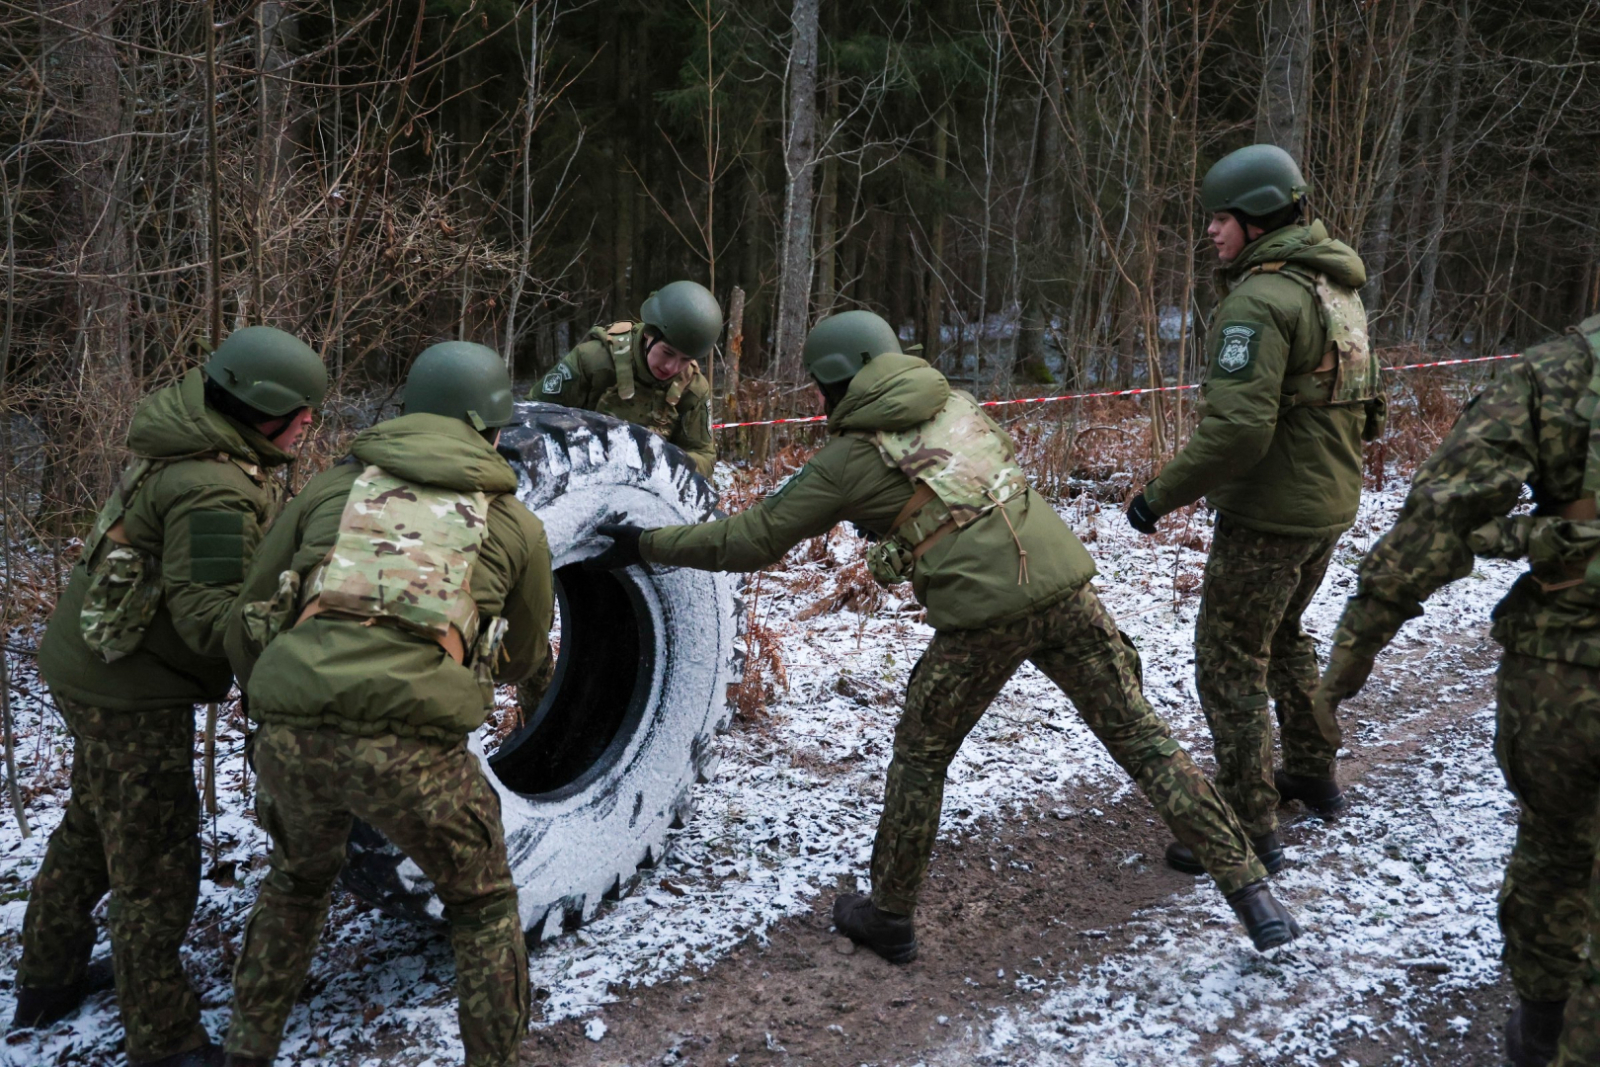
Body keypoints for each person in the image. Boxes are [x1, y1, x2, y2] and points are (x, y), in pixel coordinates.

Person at [589, 309, 1302, 962]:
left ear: (837, 382)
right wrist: (904, 534)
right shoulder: (956, 404)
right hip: (1065, 584)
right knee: (1142, 738)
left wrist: (645, 543)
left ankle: (890, 914)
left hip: (984, 615)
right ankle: (1253, 892)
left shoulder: (847, 460)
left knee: (922, 755)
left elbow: (750, 539)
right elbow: (975, 494)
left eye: (821, 389)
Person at [219, 341, 552, 1067]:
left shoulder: (327, 489)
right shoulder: (515, 524)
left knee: (297, 881)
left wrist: (276, 700)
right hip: (415, 752)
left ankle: (245, 1049)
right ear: (492, 429)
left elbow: (248, 613)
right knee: (482, 904)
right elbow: (526, 656)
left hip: (291, 734)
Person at [13, 328, 327, 1067]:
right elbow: (210, 620)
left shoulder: (192, 436)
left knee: (91, 826)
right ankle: (162, 1038)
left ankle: (47, 979)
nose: (311, 422)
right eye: (302, 410)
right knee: (155, 865)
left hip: (92, 664)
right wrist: (299, 625)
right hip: (129, 689)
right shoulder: (212, 485)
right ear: (261, 407)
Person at [1316, 315, 1600, 1067]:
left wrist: (1353, 652)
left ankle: (1543, 1030)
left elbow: (1441, 513)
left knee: (1555, 849)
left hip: (1568, 673)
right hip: (1565, 672)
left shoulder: (1558, 372)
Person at [1123, 143, 1383, 876]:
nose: (1210, 231)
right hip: (1327, 503)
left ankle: (1244, 824)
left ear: (1259, 218)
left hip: (1272, 513)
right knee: (1286, 636)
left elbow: (1238, 430)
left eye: (1222, 217)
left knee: (1228, 660)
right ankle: (1311, 771)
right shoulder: (1334, 286)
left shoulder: (1259, 300)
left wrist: (1157, 497)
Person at [533, 279, 721, 477]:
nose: (671, 367)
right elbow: (533, 415)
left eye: (685, 359)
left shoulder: (693, 389)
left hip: (652, 485)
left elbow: (704, 456)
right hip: (579, 476)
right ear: (649, 334)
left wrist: (667, 462)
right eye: (667, 352)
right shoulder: (594, 361)